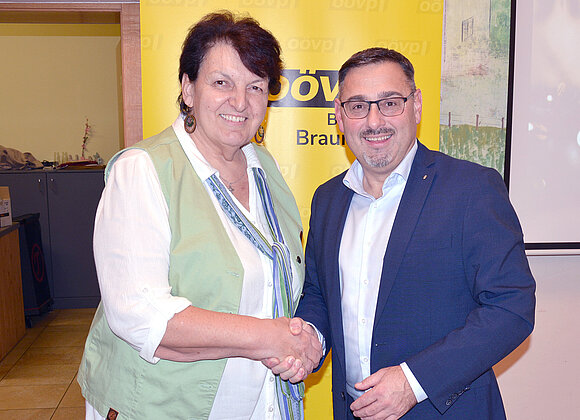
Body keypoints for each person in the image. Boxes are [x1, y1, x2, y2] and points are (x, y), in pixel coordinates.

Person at [77, 11, 321, 420]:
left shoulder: (266, 168)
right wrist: (269, 337)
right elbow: (141, 316)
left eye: (255, 87)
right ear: (188, 88)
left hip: (260, 404)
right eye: (222, 82)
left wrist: (303, 338)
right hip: (162, 408)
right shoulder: (142, 170)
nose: (240, 102)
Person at [292, 48, 536, 419]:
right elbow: (319, 293)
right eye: (358, 106)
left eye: (390, 103)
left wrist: (413, 381)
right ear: (339, 116)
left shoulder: (471, 189)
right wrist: (312, 335)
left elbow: (511, 306)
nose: (374, 121)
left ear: (416, 105)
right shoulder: (327, 199)